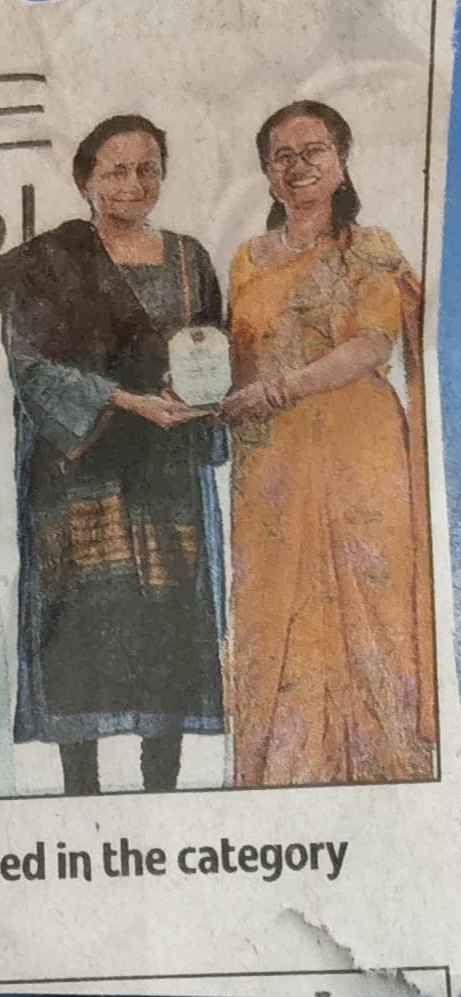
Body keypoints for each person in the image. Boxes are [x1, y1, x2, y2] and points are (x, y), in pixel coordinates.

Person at [0, 115, 225, 796]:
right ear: (86, 180)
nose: (133, 183)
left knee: (167, 616)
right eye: (116, 170)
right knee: (82, 620)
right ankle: (80, 794)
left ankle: (163, 790)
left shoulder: (189, 258)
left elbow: (214, 346)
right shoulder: (48, 261)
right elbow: (29, 365)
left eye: (147, 168)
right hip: (77, 468)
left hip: (165, 466)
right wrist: (123, 398)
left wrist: (196, 391)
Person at [221, 100, 436, 786]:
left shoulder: (370, 249)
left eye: (313, 151)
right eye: (281, 157)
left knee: (370, 600)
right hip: (272, 463)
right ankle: (284, 779)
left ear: (341, 162)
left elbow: (371, 346)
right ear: (266, 173)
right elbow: (238, 359)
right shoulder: (248, 259)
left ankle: (384, 775)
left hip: (358, 449)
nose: (298, 167)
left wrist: (280, 390)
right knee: (273, 614)